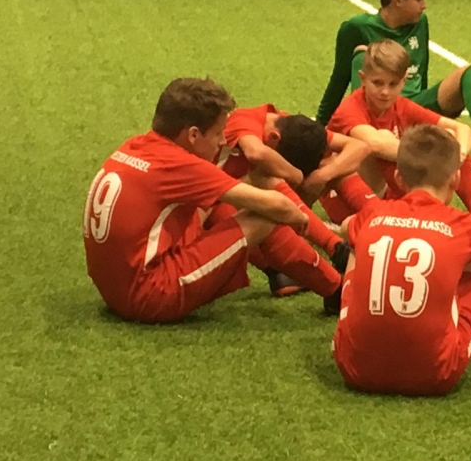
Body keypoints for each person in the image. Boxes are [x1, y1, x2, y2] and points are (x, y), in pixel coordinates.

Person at [83, 78, 318, 324]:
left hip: (111, 289)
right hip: (147, 296)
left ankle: (281, 272)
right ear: (193, 134)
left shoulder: (134, 146)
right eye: (217, 133)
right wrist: (299, 216)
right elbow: (279, 206)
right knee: (261, 217)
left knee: (210, 202)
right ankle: (324, 278)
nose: (223, 141)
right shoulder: (180, 165)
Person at [333, 125, 471, 395]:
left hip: (353, 368)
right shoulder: (464, 226)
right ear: (455, 179)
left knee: (357, 245)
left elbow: (346, 227)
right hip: (434, 374)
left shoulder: (374, 213)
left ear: (399, 178)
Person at [314, 0, 471, 174]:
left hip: (412, 108)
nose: (424, 5)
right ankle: (370, 128)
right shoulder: (356, 27)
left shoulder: (420, 22)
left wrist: (422, 119)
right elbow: (339, 80)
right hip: (379, 114)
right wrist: (320, 132)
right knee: (361, 54)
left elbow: (421, 69)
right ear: (398, 0)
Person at [328, 40, 471, 240]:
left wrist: (457, 152)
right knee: (384, 142)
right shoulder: (350, 109)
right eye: (377, 83)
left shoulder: (400, 105)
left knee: (449, 141)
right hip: (344, 199)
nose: (385, 92)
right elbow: (375, 143)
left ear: (404, 81)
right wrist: (437, 156)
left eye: (393, 84)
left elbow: (461, 129)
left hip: (383, 191)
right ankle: (416, 214)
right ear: (363, 79)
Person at [217, 103, 368, 298]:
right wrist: (296, 176)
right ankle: (335, 250)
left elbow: (360, 146)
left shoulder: (295, 128)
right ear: (273, 138)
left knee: (332, 166)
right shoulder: (245, 120)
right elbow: (257, 153)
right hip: (209, 211)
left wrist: (323, 175)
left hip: (229, 201)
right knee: (267, 180)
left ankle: (380, 218)